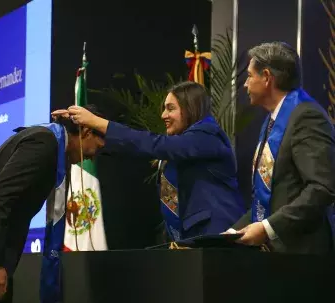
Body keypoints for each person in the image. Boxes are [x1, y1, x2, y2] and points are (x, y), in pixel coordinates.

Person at [52, 81, 245, 243]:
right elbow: (133, 148)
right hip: (192, 241)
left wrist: (97, 122)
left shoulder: (208, 135)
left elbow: (153, 144)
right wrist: (81, 131)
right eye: (163, 109)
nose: (163, 116)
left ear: (190, 108)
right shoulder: (181, 145)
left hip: (220, 237)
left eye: (170, 108)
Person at [0, 107, 105, 303]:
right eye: (98, 146)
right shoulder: (44, 143)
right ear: (85, 132)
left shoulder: (49, 143)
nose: (94, 155)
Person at [228, 41, 335, 253]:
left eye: (249, 76)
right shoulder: (272, 121)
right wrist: (232, 233)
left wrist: (268, 228)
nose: (245, 84)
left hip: (303, 255)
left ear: (267, 77)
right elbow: (268, 200)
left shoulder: (306, 116)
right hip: (278, 257)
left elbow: (323, 188)